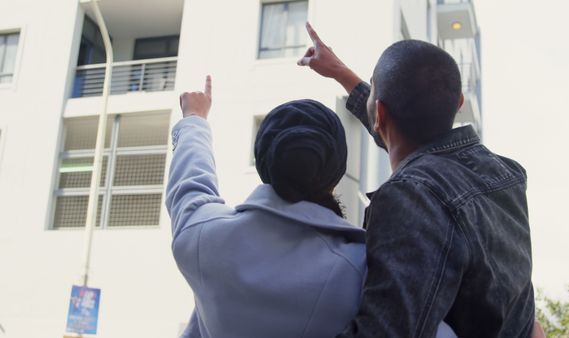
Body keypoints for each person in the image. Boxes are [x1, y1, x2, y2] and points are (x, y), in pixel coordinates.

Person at [165, 76, 458, 337]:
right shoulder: (364, 272)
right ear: (336, 172)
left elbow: (190, 183)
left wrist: (194, 119)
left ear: (263, 162)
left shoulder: (203, 238)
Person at [298, 23, 539, 337]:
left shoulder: (412, 199)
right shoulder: (505, 172)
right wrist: (340, 71)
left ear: (380, 115)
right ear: (459, 104)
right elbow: (398, 130)